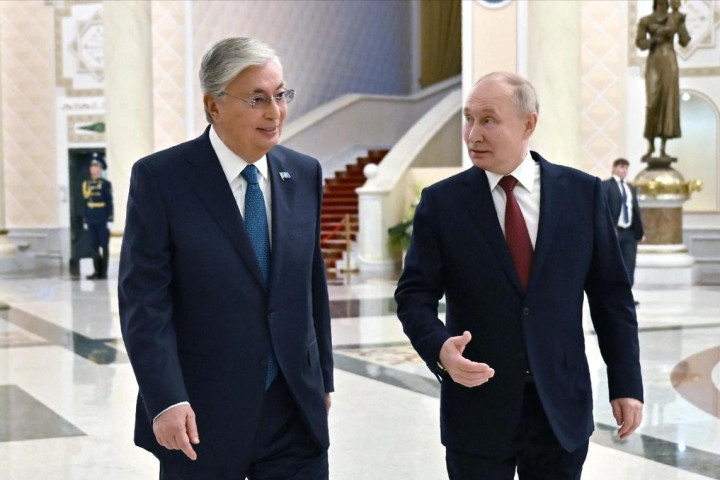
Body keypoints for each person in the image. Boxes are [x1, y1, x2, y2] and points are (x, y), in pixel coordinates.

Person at [395, 72, 644, 480]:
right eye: (468, 118)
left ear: (528, 123)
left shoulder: (583, 194)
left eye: (488, 120)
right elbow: (413, 296)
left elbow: (611, 298)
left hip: (560, 409)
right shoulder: (442, 203)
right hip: (477, 410)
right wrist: (441, 349)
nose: (473, 134)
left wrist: (627, 384)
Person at [119, 37, 333, 480]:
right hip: (200, 416)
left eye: (280, 95)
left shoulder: (304, 172)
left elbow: (312, 284)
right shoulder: (161, 179)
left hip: (294, 411)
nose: (275, 112)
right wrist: (166, 398)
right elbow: (144, 302)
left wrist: (323, 379)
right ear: (213, 106)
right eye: (257, 99)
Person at [636, 0, 691, 158]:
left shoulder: (675, 18)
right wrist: (653, 40)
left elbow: (684, 40)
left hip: (669, 62)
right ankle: (651, 145)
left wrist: (681, 24)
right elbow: (640, 43)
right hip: (654, 61)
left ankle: (663, 148)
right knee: (652, 102)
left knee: (668, 102)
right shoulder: (646, 20)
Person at [603, 158, 645, 302]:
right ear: (614, 168)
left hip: (629, 232)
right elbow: (604, 209)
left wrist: (640, 232)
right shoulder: (606, 185)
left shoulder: (630, 188)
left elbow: (635, 211)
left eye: (626, 168)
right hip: (614, 232)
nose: (624, 170)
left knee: (629, 264)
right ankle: (612, 296)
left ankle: (626, 296)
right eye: (621, 167)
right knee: (613, 264)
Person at [82, 154, 113, 280]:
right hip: (91, 218)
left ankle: (103, 272)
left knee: (104, 246)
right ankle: (96, 271)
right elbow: (85, 203)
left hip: (102, 218)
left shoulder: (105, 184)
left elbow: (109, 202)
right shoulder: (86, 184)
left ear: (100, 169)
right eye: (91, 166)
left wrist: (110, 218)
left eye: (95, 166)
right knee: (93, 247)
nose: (93, 168)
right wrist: (85, 219)